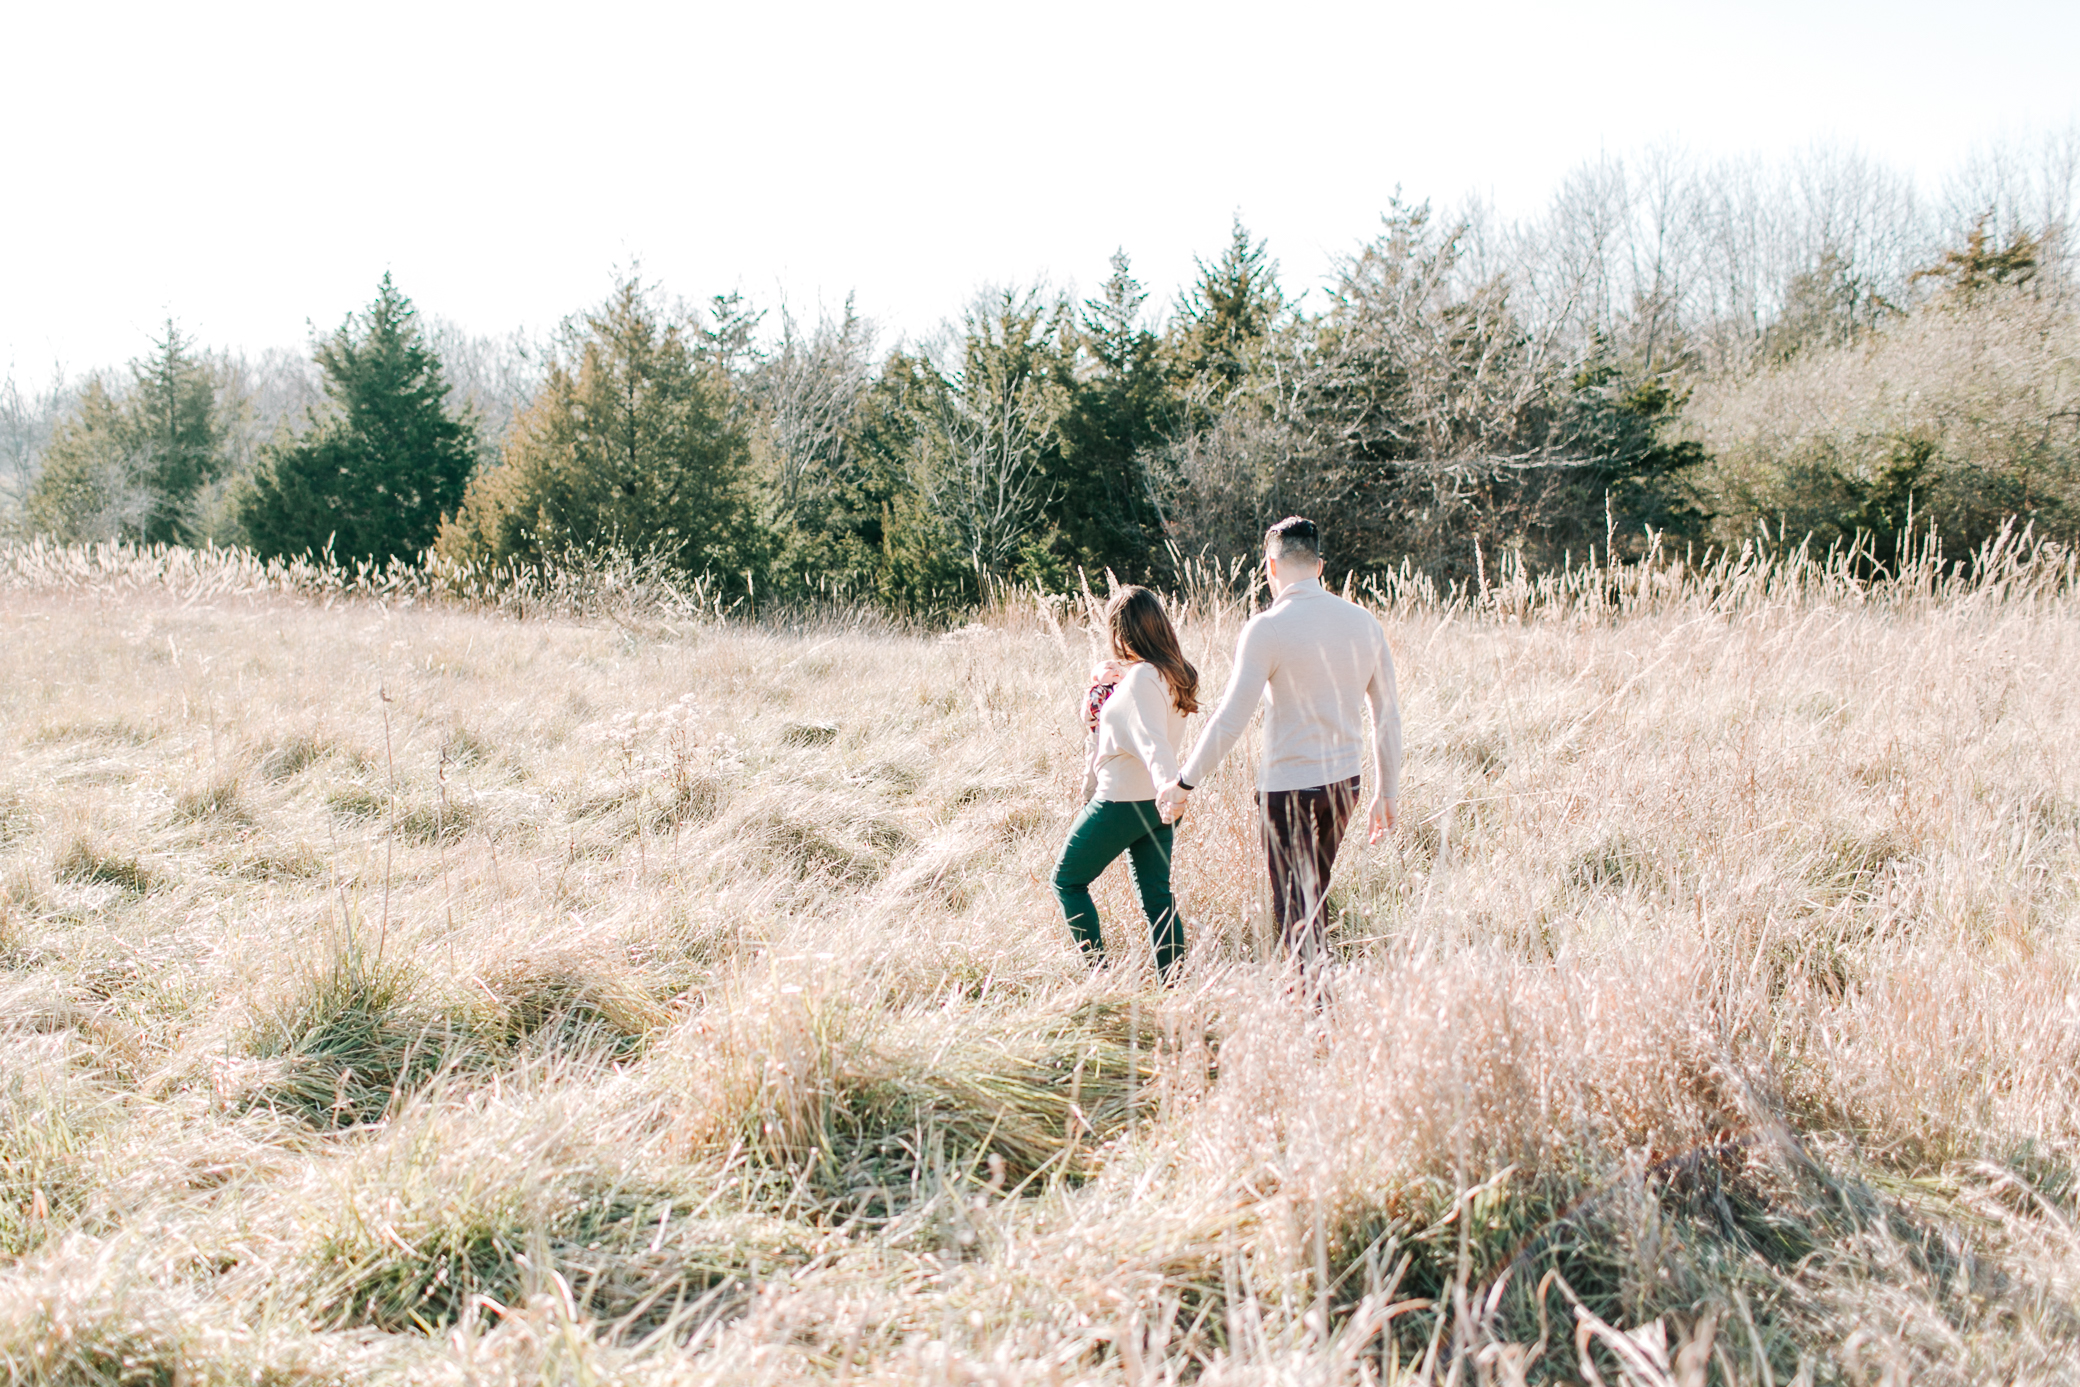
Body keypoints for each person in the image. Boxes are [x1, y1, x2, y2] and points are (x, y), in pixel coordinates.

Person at [1157, 517, 1400, 976]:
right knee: (1314, 897)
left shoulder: (1266, 629)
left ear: (1270, 565)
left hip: (1288, 792)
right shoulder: (1365, 623)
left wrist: (1185, 781)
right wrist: (1387, 793)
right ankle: (1315, 1007)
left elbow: (1231, 717)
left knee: (1295, 912)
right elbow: (1386, 714)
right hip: (1344, 786)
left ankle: (1313, 1020)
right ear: (1320, 566)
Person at [1053, 586, 1199, 979]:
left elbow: (1153, 742)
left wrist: (1171, 783)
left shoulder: (1140, 680)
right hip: (1155, 807)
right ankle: (1174, 983)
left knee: (1067, 880)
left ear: (1122, 631)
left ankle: (1099, 976)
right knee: (1157, 899)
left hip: (1123, 802)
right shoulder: (1168, 673)